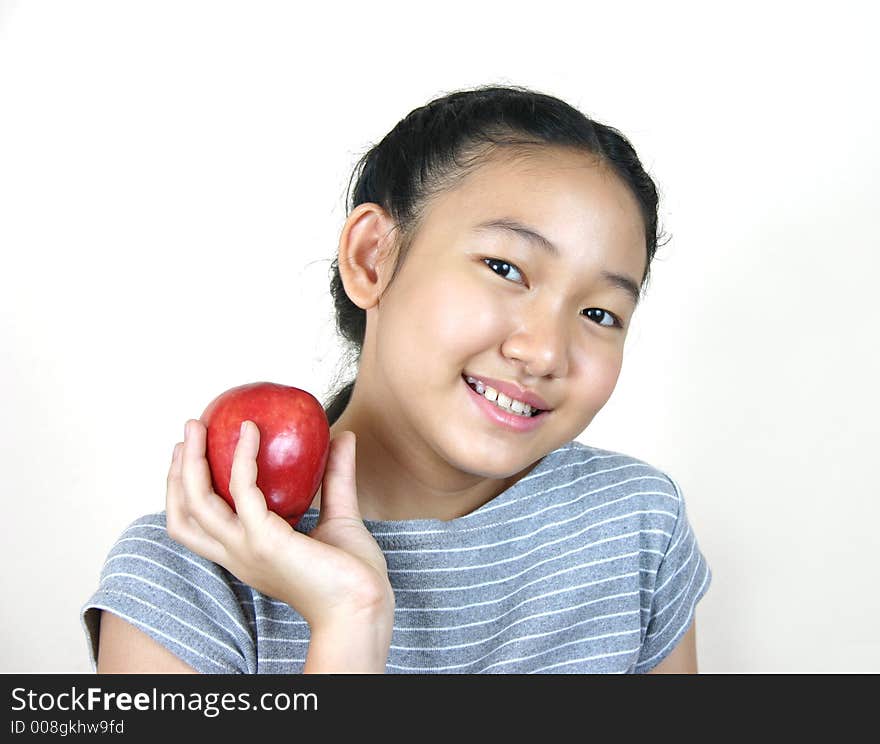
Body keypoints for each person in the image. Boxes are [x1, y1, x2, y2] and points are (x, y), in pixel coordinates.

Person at [81, 84, 712, 674]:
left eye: (600, 313)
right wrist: (349, 621)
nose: (544, 352)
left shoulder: (634, 528)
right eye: (505, 267)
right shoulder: (186, 577)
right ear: (371, 257)